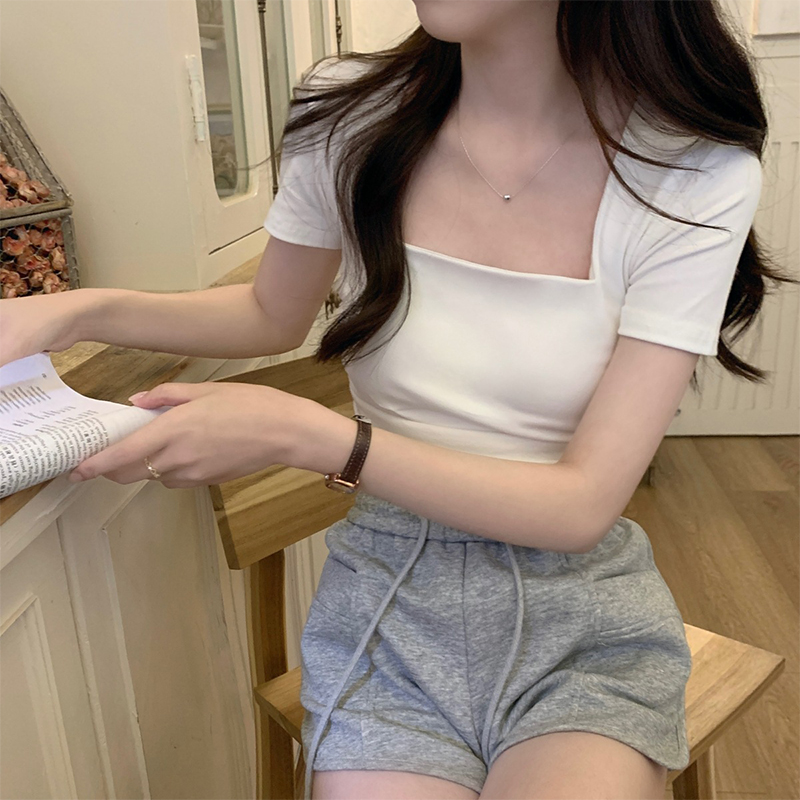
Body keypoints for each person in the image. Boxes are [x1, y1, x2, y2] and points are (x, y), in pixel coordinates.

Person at [1, 2, 794, 799]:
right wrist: (75, 311)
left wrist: (309, 436)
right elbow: (269, 312)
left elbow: (581, 505)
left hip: (579, 616)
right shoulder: (350, 115)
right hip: (390, 598)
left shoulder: (691, 172)